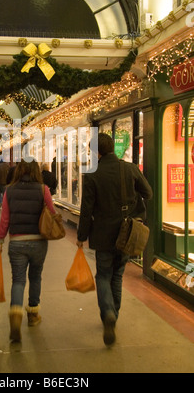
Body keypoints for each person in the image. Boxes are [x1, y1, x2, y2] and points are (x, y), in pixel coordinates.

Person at [77, 133, 153, 346]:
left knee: (103, 275)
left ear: (97, 152)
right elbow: (148, 193)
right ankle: (114, 316)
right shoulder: (128, 169)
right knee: (117, 275)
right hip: (126, 232)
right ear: (112, 148)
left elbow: (86, 209)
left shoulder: (92, 174)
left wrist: (81, 236)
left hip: (102, 234)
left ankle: (107, 312)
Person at [0, 158, 55, 343]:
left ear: (19, 170)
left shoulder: (9, 191)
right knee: (35, 277)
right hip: (38, 241)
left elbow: (5, 218)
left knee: (18, 280)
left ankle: (15, 313)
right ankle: (32, 315)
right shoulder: (43, 189)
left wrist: (0, 239)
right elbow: (52, 213)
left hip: (17, 242)